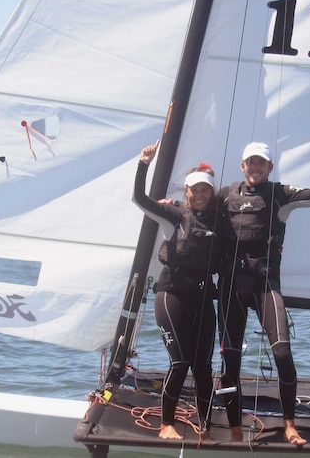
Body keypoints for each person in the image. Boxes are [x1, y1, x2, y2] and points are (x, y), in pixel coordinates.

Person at [217, 140, 310, 445]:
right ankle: (234, 430)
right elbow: (194, 207)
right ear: (242, 165)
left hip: (265, 285)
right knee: (229, 361)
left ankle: (290, 425)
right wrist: (172, 204)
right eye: (251, 161)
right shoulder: (225, 195)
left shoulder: (280, 195)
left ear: (270, 168)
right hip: (230, 287)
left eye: (261, 162)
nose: (255, 166)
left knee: (283, 353)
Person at [133, 140, 223, 440]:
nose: (199, 194)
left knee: (203, 367)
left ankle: (206, 427)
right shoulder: (174, 216)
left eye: (205, 189)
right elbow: (139, 199)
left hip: (202, 299)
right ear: (186, 192)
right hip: (171, 297)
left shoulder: (220, 220)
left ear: (211, 193)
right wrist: (143, 165)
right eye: (194, 189)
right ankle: (166, 424)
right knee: (180, 362)